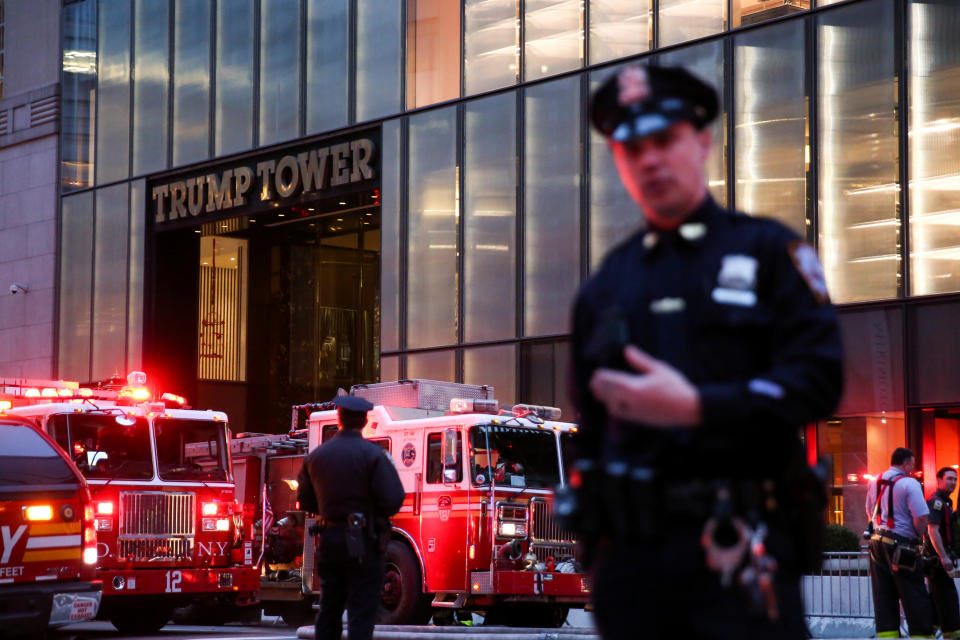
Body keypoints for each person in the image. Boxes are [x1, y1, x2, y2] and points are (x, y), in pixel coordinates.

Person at [567, 63, 844, 640]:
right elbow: (589, 433)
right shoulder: (605, 286)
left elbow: (820, 377)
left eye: (664, 139)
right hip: (633, 566)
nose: (648, 159)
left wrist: (698, 407)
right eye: (631, 146)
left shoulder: (769, 253)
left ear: (702, 141)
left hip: (741, 552)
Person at [296, 395, 405, 640]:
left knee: (330, 607)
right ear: (365, 421)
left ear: (339, 419)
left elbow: (305, 500)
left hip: (330, 539)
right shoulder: (375, 455)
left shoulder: (316, 456)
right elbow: (393, 500)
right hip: (364, 540)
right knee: (362, 609)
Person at [864, 447, 934, 638]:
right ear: (905, 463)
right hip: (902, 545)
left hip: (876, 543)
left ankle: (888, 635)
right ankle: (921, 635)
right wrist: (918, 537)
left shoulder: (875, 482)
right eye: (912, 464)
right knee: (913, 594)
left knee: (884, 595)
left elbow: (870, 512)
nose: (912, 468)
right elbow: (921, 517)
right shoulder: (909, 483)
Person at [924, 466, 960, 638]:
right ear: (939, 480)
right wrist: (944, 557)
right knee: (948, 603)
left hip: (940, 561)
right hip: (938, 562)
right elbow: (933, 530)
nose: (953, 482)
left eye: (955, 479)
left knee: (936, 603)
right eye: (949, 479)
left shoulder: (946, 503)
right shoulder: (936, 502)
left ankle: (927, 632)